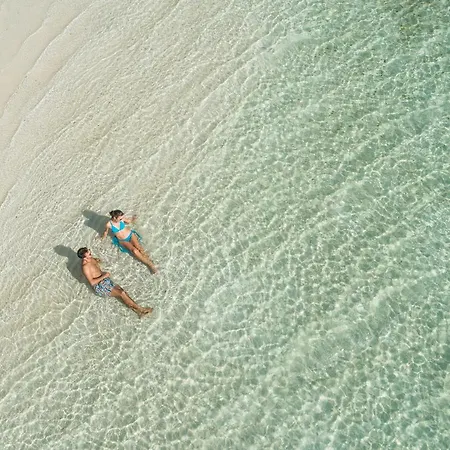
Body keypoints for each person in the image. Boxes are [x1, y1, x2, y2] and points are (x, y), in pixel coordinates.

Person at [77, 247, 153, 318]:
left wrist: (98, 262)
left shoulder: (90, 259)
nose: (91, 254)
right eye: (89, 254)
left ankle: (136, 311)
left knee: (123, 292)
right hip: (100, 286)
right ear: (84, 258)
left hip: (105, 280)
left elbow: (95, 264)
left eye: (90, 252)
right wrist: (104, 275)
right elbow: (92, 283)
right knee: (122, 293)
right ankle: (141, 310)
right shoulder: (85, 267)